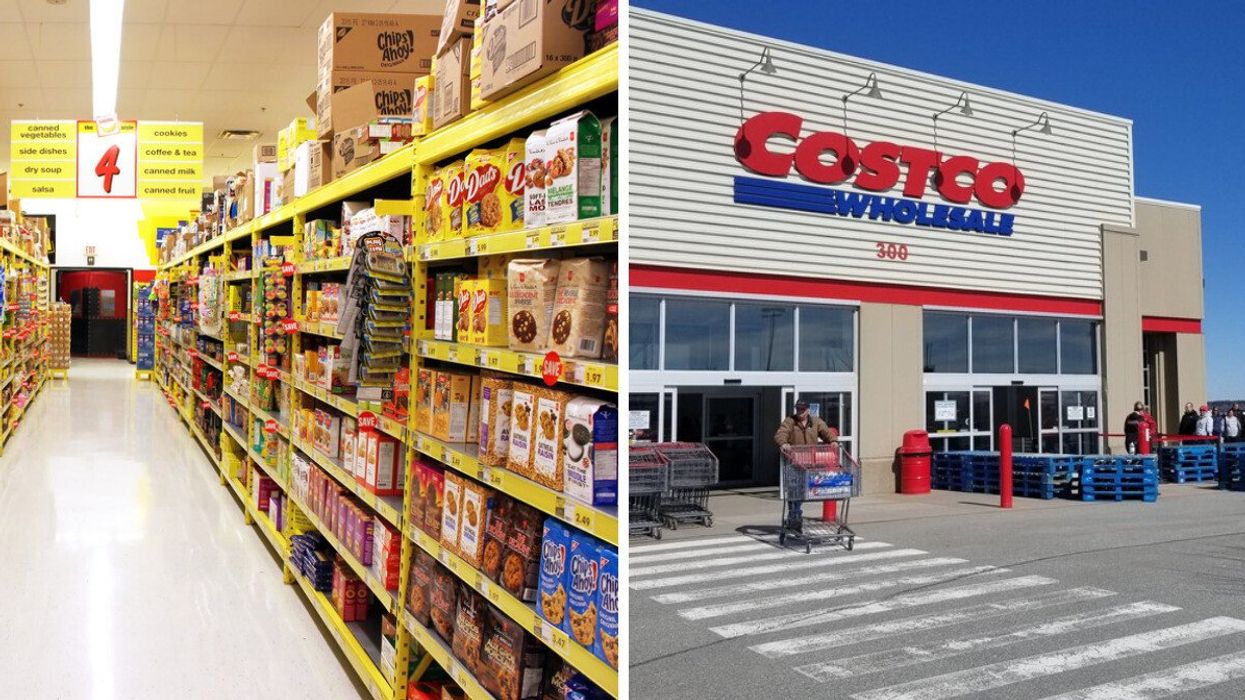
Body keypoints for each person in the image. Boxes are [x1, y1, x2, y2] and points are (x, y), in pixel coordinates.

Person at [775, 400, 838, 533]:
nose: (800, 412)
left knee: (803, 490)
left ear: (808, 410)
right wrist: (784, 443)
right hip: (794, 462)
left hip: (810, 463)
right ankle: (795, 515)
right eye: (798, 409)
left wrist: (833, 441)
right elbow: (781, 434)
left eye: (802, 410)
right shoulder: (790, 421)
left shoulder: (815, 422)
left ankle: (794, 515)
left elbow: (826, 432)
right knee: (794, 491)